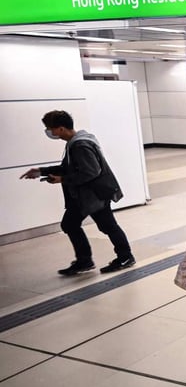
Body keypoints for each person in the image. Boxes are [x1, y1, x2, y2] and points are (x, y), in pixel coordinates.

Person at [20, 110, 135, 275]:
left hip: (93, 196)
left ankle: (124, 257)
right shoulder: (76, 141)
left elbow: (91, 171)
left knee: (107, 226)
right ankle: (85, 261)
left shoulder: (80, 144)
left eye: (50, 128)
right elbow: (69, 168)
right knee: (71, 224)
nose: (49, 132)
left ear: (60, 128)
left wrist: (62, 180)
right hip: (84, 195)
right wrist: (41, 171)